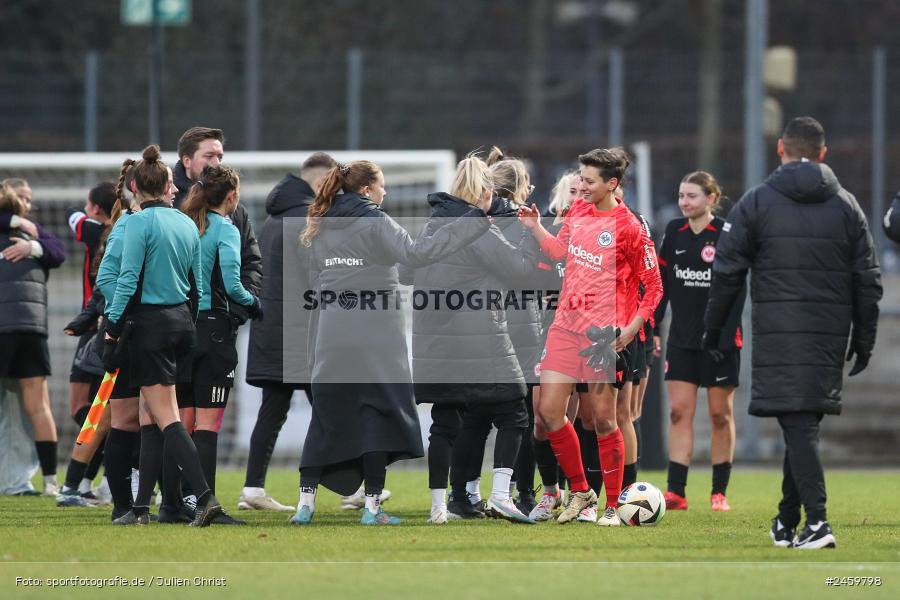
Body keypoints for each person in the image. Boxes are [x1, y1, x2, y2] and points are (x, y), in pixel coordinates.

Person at [704, 116, 882, 549]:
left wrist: (714, 330)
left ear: (780, 149)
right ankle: (786, 520)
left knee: (798, 423)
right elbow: (868, 279)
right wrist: (864, 339)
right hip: (828, 335)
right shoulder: (847, 205)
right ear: (823, 154)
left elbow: (726, 271)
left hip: (779, 332)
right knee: (802, 423)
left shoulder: (757, 201)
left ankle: (818, 523)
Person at [292, 160, 492, 526]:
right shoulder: (375, 220)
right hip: (375, 331)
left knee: (327, 413)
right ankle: (372, 509)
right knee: (379, 414)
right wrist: (473, 221)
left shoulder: (321, 222)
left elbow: (316, 281)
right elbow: (416, 255)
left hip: (332, 330)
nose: (386, 192)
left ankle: (304, 505)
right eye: (381, 186)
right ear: (367, 190)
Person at [517, 148, 662, 526]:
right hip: (565, 327)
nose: (580, 186)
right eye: (580, 178)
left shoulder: (630, 227)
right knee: (549, 412)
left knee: (603, 421)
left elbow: (654, 288)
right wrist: (535, 228)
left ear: (611, 184)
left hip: (601, 338)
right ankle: (581, 491)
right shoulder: (578, 211)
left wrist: (630, 330)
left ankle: (612, 506)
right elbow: (559, 251)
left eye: (588, 180)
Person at [409, 153, 536, 525]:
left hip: (436, 341)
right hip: (479, 338)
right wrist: (530, 235)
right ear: (484, 192)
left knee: (449, 421)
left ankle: (444, 505)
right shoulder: (478, 228)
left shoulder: (431, 226)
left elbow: (406, 271)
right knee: (514, 412)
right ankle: (501, 496)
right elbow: (521, 271)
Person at [103, 144, 225, 527]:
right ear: (166, 185)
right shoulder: (186, 222)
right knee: (151, 417)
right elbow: (198, 285)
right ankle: (142, 508)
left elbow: (126, 280)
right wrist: (189, 322)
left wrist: (112, 327)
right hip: (183, 324)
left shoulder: (138, 223)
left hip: (151, 326)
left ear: (135, 186)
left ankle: (204, 497)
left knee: (167, 418)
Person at [241, 152, 337, 512]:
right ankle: (352, 490)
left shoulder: (271, 220)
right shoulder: (307, 222)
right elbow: (318, 279)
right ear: (320, 182)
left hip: (272, 331)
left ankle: (252, 488)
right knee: (330, 413)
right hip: (303, 335)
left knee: (272, 412)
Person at [175, 164, 262, 525]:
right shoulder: (224, 228)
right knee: (207, 425)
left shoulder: (184, 224)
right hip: (213, 332)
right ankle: (206, 505)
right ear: (232, 196)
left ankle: (178, 502)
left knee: (181, 422)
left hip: (181, 329)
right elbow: (233, 284)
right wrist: (255, 305)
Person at [653, 171, 744, 512]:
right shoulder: (674, 232)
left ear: (711, 198)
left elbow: (736, 290)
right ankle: (676, 492)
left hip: (720, 341)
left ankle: (719, 492)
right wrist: (654, 327)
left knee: (720, 415)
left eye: (692, 196)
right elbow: (661, 285)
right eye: (681, 195)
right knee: (679, 412)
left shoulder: (727, 234)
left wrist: (724, 335)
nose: (684, 202)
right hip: (682, 340)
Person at [0, 180, 66, 495]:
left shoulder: (37, 237)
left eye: (30, 199)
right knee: (38, 406)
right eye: (22, 199)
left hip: (22, 327)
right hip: (30, 327)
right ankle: (50, 481)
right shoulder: (31, 232)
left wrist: (32, 244)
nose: (27, 205)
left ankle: (48, 481)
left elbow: (59, 252)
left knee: (37, 406)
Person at [57, 181, 118, 506]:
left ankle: (91, 478)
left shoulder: (95, 230)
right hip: (105, 325)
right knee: (101, 411)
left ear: (95, 208)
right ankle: (84, 483)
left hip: (97, 327)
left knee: (93, 411)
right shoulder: (119, 230)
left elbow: (70, 215)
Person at [173, 126, 262, 326]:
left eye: (219, 157)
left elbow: (251, 261)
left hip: (222, 321)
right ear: (187, 161)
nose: (216, 163)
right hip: (176, 321)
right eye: (209, 156)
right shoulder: (169, 206)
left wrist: (239, 309)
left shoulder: (235, 211)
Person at [528, 171, 579, 521]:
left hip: (583, 332)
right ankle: (550, 492)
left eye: (582, 190)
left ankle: (579, 492)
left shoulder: (598, 233)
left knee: (576, 419)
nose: (577, 196)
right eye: (572, 190)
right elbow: (537, 278)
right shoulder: (551, 232)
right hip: (549, 329)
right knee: (541, 418)